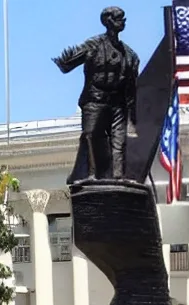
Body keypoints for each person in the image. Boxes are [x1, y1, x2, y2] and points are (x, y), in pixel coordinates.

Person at [53, 6, 140, 183]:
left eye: (123, 18)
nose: (123, 21)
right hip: (95, 100)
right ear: (108, 21)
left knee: (119, 140)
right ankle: (91, 175)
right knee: (91, 135)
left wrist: (132, 115)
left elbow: (131, 88)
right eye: (118, 18)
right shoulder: (93, 45)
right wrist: (65, 63)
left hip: (117, 103)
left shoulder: (131, 56)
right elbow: (69, 64)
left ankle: (119, 176)